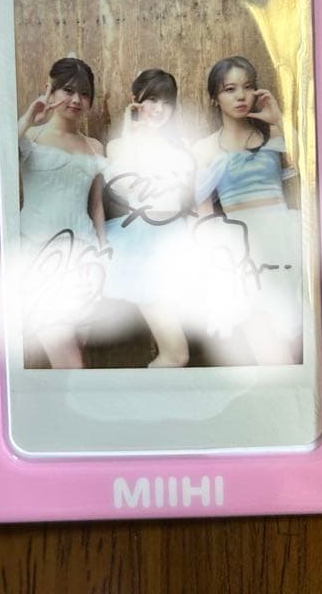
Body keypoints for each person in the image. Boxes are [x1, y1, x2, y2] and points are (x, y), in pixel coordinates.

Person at [191, 56, 302, 364]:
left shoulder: (275, 137)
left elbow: (312, 172)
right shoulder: (204, 149)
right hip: (242, 248)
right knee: (273, 355)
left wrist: (278, 120)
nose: (241, 96)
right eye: (230, 89)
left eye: (247, 87)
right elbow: (203, 212)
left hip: (284, 240)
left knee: (296, 347)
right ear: (215, 98)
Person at [17, 56, 107, 369]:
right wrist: (29, 119)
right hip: (39, 255)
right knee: (70, 361)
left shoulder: (95, 147)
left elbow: (96, 204)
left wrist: (103, 249)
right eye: (68, 90)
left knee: (74, 355)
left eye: (84, 93)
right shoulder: (31, 136)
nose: (76, 100)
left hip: (84, 256)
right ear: (50, 90)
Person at [102, 69, 193, 367]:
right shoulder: (120, 146)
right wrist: (131, 135)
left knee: (175, 351)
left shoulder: (181, 147)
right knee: (177, 354)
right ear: (135, 101)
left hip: (176, 242)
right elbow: (123, 186)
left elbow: (187, 196)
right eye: (152, 99)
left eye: (167, 102)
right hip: (142, 246)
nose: (159, 109)